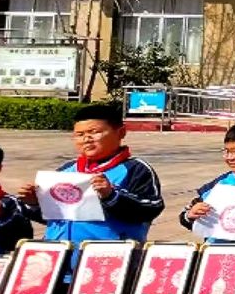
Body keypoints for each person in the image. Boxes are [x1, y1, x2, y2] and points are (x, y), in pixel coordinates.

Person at [19, 103, 165, 245]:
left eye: (94, 132)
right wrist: (34, 203)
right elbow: (53, 216)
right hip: (60, 251)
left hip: (106, 253)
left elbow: (151, 209)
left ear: (121, 133)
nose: (86, 139)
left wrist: (111, 196)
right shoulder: (66, 169)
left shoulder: (136, 169)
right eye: (79, 134)